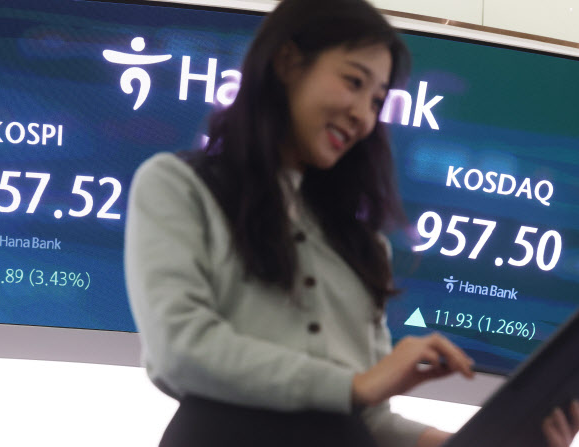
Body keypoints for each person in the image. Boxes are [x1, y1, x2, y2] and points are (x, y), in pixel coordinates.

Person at [124, 0, 579, 445]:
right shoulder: (178, 186)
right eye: (354, 82)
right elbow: (180, 348)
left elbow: (372, 422)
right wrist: (352, 386)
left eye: (377, 100)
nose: (363, 114)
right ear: (287, 61)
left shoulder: (363, 247)